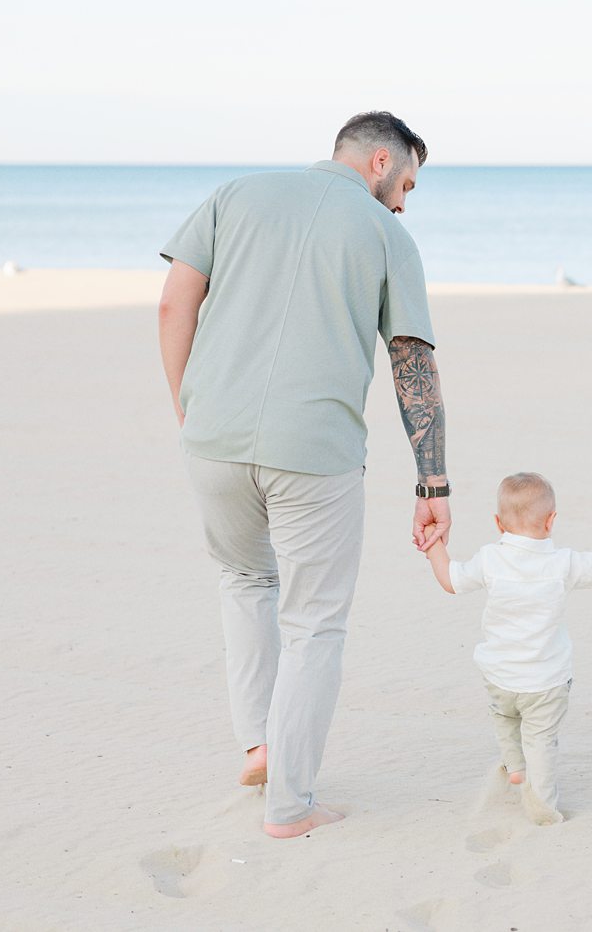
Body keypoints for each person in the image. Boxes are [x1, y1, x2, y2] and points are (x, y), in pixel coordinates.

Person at [156, 111, 451, 839]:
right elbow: (413, 361)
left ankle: (259, 744)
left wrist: (188, 409)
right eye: (407, 182)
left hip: (213, 438)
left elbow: (173, 301)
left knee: (245, 581)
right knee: (316, 622)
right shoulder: (387, 235)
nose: (406, 200)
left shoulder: (236, 194)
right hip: (314, 453)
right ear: (381, 160)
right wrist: (433, 485)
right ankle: (291, 802)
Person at [425, 472, 592, 824]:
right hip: (546, 680)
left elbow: (450, 581)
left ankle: (515, 768)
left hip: (500, 676)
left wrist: (433, 543)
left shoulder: (489, 559)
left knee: (504, 718)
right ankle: (543, 807)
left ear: (498, 523)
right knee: (541, 741)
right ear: (551, 520)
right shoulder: (561, 562)